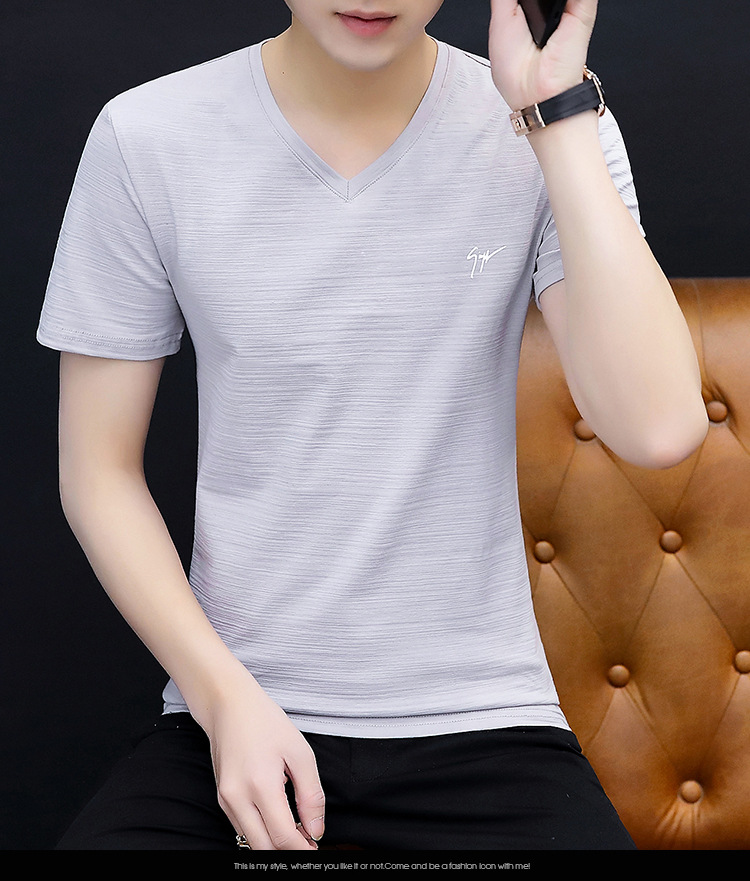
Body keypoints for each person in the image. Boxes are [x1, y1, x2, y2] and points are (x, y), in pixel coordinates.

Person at [37, 0, 707, 852]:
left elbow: (658, 429)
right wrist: (223, 697)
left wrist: (555, 115)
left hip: (487, 728)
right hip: (234, 718)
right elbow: (98, 472)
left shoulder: (553, 123)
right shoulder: (147, 136)